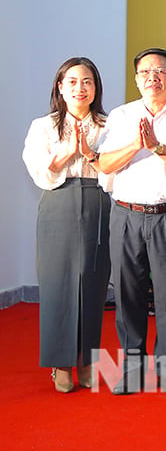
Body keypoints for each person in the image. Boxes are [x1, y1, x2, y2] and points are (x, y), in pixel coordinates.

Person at [94, 48, 166, 394]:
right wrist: (137, 143)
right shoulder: (121, 117)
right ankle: (132, 369)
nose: (153, 77)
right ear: (136, 78)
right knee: (128, 295)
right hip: (125, 215)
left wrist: (159, 148)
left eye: (161, 71)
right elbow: (104, 165)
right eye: (146, 72)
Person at [22, 57, 110, 393]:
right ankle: (60, 364)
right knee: (58, 283)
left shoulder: (108, 125)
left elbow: (115, 170)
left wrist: (88, 153)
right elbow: (40, 170)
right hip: (58, 200)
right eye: (72, 81)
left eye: (87, 81)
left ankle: (87, 360)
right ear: (60, 87)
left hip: (98, 203)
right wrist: (67, 151)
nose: (80, 88)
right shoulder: (42, 126)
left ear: (95, 88)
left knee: (93, 281)